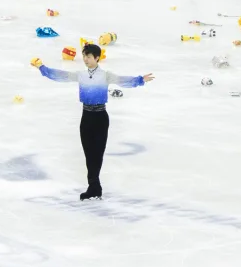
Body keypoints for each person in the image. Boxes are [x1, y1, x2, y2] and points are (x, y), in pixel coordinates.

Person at [31, 44, 154, 201]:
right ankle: (94, 186)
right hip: (86, 117)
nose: (85, 59)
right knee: (89, 155)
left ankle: (94, 187)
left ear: (97, 58)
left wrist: (139, 80)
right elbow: (60, 75)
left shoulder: (105, 75)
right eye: (84, 56)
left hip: (101, 118)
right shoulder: (81, 75)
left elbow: (123, 81)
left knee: (98, 154)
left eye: (88, 57)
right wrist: (42, 68)